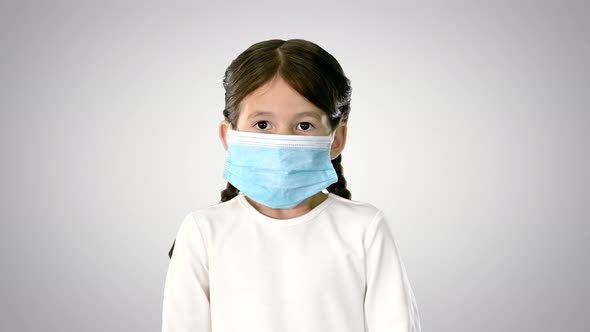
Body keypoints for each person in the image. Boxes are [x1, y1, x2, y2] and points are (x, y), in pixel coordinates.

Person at [161, 38, 422, 332]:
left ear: (336, 139)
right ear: (228, 136)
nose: (282, 144)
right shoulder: (203, 231)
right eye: (262, 124)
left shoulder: (364, 228)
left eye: (304, 126)